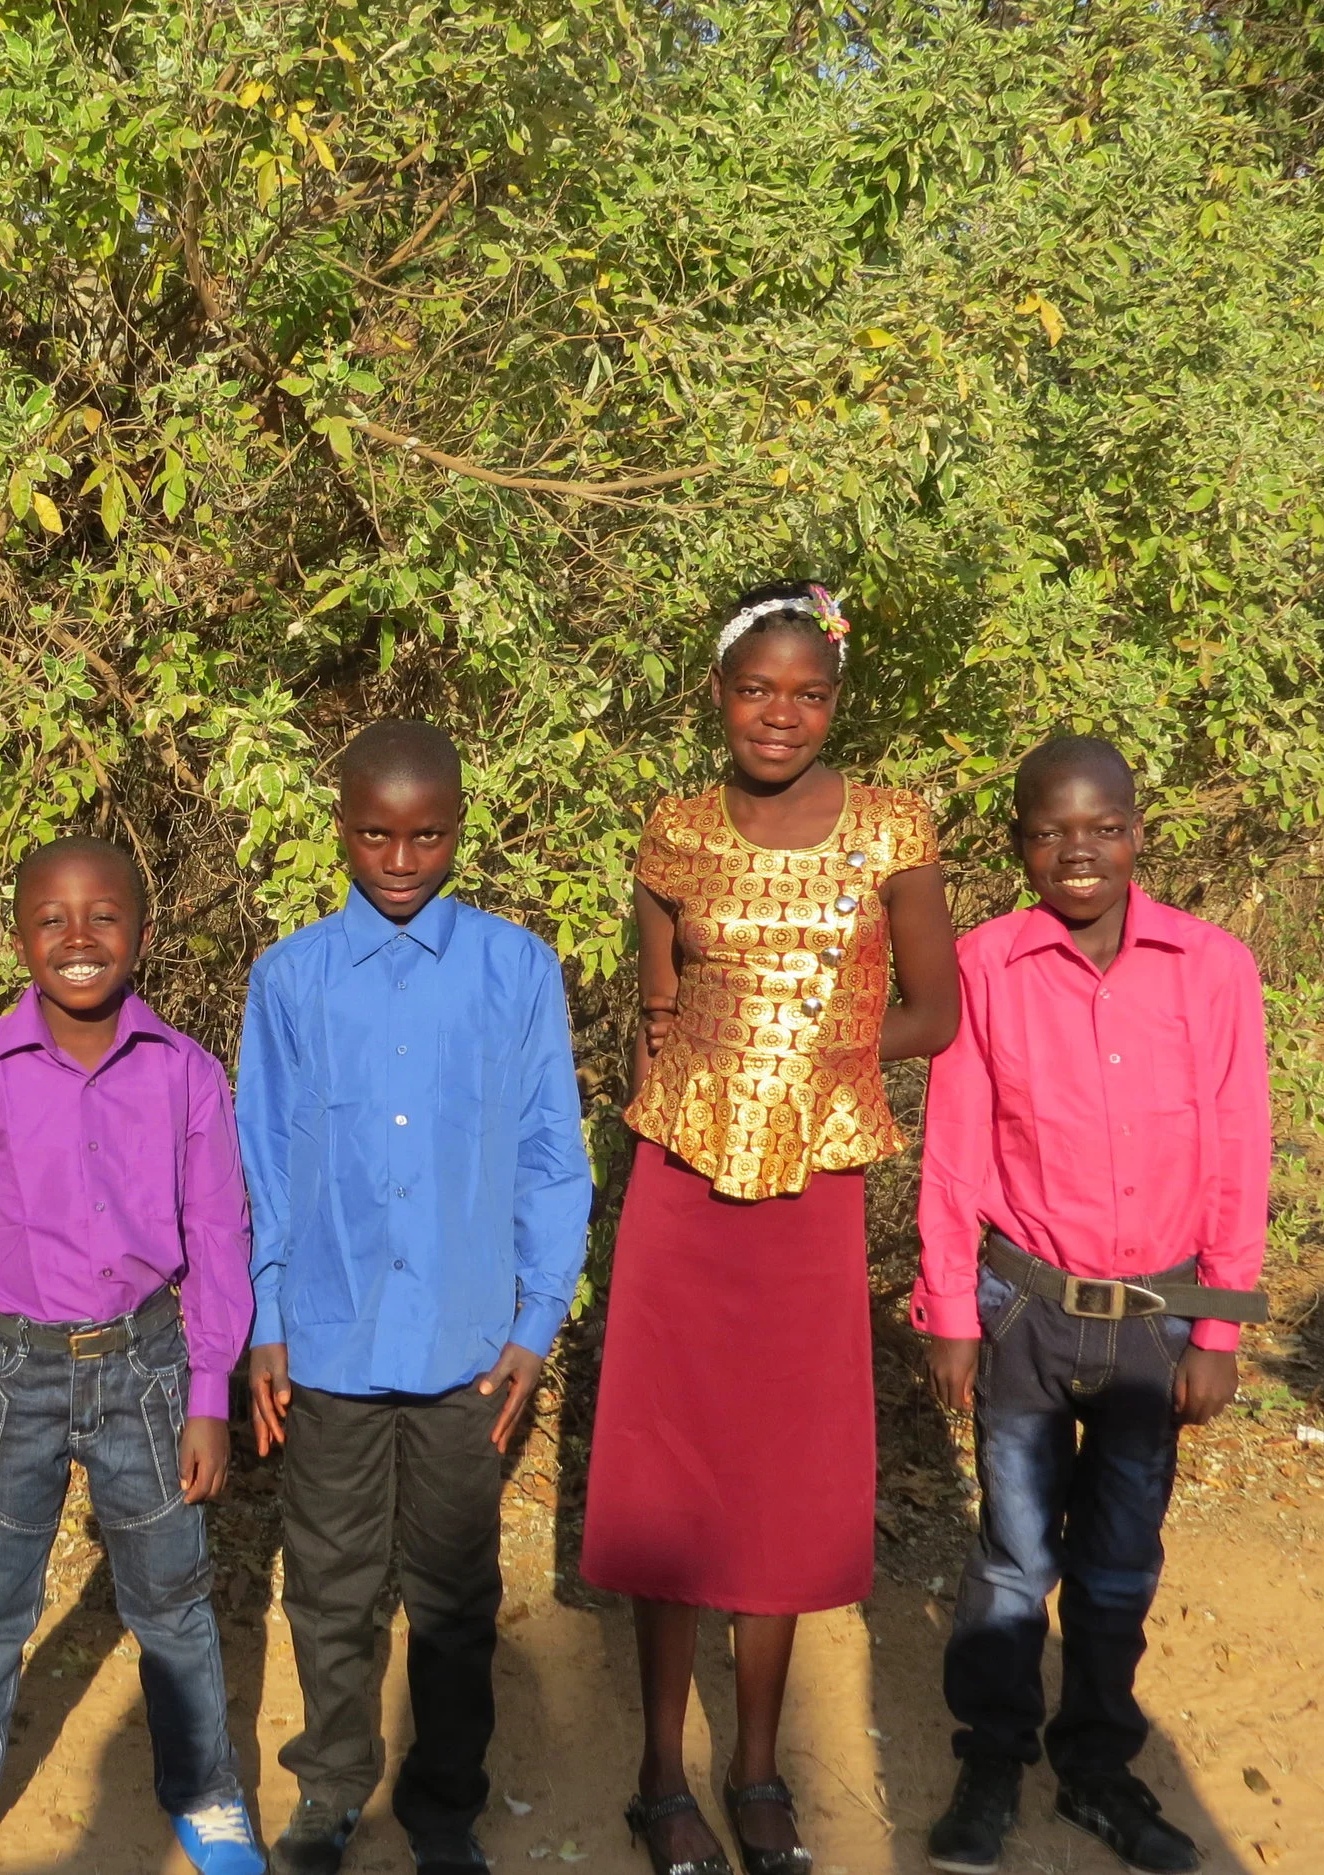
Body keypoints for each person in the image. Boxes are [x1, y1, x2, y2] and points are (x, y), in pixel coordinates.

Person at [579, 583, 960, 1875]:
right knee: (672, 1461)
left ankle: (753, 1766)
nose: (780, 713)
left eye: (806, 692)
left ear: (834, 698)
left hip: (812, 1190)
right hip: (682, 1187)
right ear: (720, 696)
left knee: (779, 1471)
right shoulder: (675, 831)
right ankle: (655, 1772)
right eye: (757, 689)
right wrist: (709, 1091)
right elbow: (658, 1007)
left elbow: (933, 1011)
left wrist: (819, 1068)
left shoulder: (892, 829)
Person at [239, 720, 594, 1875]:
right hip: (330, 1349)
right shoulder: (290, 979)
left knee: (452, 1591)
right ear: (341, 827)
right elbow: (262, 1163)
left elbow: (551, 1154)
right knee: (331, 1588)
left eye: (426, 834)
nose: (400, 860)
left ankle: (444, 1804)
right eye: (376, 834)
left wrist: (536, 1324)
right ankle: (332, 1790)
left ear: (457, 829)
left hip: (463, 1351)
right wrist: (267, 1320)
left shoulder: (514, 970)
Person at [912, 736, 1268, 1875]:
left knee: (1119, 1557)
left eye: (1100, 827)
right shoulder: (983, 965)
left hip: (1156, 1320)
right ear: (1017, 841)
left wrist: (1216, 1329)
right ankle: (991, 1759)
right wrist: (950, 1317)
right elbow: (952, 1154)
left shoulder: (1211, 968)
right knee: (1014, 1555)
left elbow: (1238, 1155)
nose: (1077, 851)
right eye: (1049, 830)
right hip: (1022, 1306)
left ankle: (1098, 1768)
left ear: (1135, 833)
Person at [0, 836, 265, 1875]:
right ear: (20, 939)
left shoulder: (183, 1071)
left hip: (145, 1366)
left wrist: (206, 1393)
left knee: (172, 1599)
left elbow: (219, 1235)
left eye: (103, 916)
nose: (78, 938)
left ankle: (207, 1791)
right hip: (12, 1372)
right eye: (51, 919)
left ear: (140, 933)